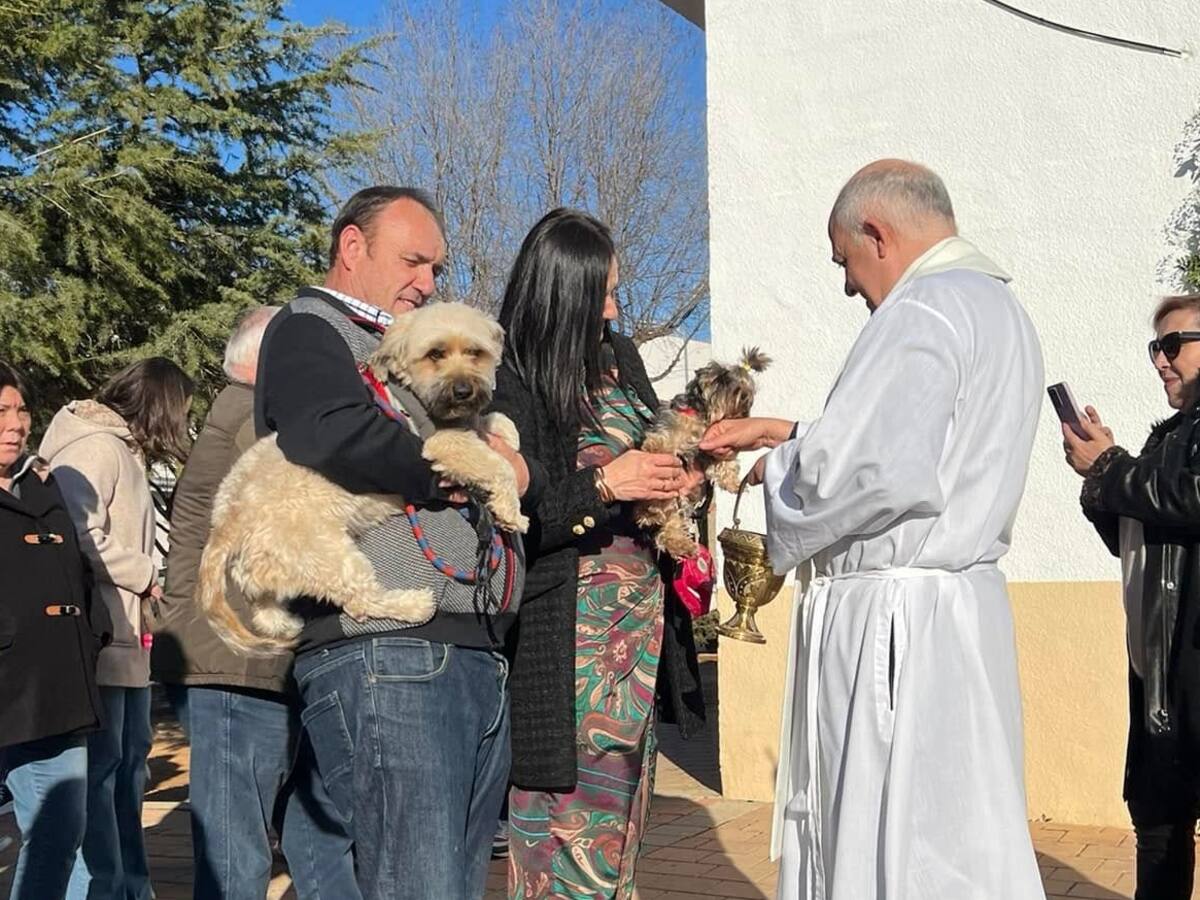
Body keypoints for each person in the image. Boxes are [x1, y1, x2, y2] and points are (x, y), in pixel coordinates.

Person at [701, 160, 1045, 899]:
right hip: (953, 618)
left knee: (894, 841)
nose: (848, 285)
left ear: (878, 235)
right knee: (957, 836)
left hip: (894, 630)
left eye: (845, 262)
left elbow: (875, 471)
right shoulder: (997, 310)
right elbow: (920, 445)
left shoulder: (920, 311)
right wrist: (793, 431)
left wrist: (783, 465)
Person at [255, 185, 530, 900]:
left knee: (449, 884)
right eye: (414, 261)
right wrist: (458, 470)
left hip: (460, 651)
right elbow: (328, 430)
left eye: (436, 269)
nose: (427, 283)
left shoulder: (413, 346)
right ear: (353, 248)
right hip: (387, 652)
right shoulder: (311, 327)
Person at [490, 208, 706, 899]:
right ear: (562, 293)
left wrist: (681, 474)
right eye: (601, 293)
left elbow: (652, 455)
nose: (615, 308)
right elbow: (510, 517)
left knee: (618, 841)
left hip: (637, 640)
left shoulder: (621, 360)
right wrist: (607, 482)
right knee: (564, 846)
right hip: (568, 651)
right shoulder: (510, 376)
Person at [149, 307, 356, 899]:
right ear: (266, 362)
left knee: (307, 839)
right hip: (237, 665)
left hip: (258, 662)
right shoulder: (249, 417)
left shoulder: (249, 419)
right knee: (239, 853)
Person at [40, 357, 195, 900]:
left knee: (128, 771)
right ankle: (109, 888)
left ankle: (131, 884)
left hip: (127, 639)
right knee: (106, 774)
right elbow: (80, 532)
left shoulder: (120, 448)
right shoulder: (97, 448)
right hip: (101, 639)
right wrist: (146, 572)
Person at [1064, 293, 1200, 900]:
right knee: (1159, 830)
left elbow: (1188, 497)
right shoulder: (1169, 436)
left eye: (1173, 345)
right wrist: (1100, 478)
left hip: (1193, 675)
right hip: (1159, 679)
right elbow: (1139, 538)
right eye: (1156, 348)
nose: (1161, 361)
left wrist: (1111, 467)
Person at [0, 360, 107, 900]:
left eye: (20, 410)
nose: (15, 423)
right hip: (14, 685)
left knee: (62, 830)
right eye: (1, 411)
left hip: (52, 693)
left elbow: (78, 575)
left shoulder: (41, 488)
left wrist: (93, 634)